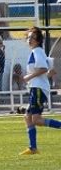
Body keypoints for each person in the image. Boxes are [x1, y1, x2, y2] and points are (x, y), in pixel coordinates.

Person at [20, 27, 61, 155]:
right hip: (36, 88)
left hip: (38, 89)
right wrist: (49, 74)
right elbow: (47, 72)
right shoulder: (37, 52)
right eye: (28, 37)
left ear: (38, 40)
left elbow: (43, 68)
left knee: (36, 120)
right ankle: (33, 148)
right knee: (27, 117)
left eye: (32, 37)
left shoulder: (37, 51)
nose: (29, 39)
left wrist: (28, 77)